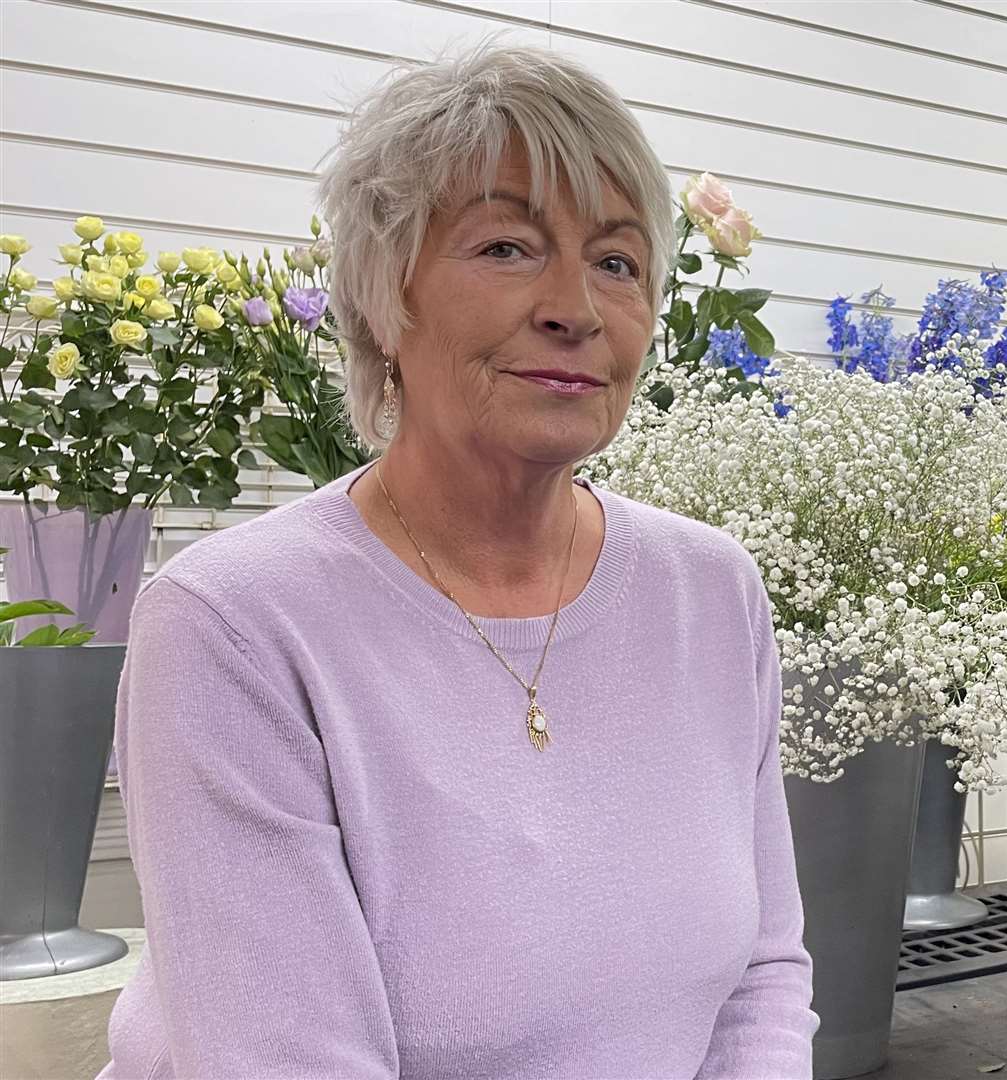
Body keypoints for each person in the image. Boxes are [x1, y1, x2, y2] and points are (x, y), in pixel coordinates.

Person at [99, 45, 814, 1078]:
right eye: (507, 248)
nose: (574, 306)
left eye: (615, 262)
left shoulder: (708, 592)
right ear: (386, 296)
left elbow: (761, 979)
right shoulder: (234, 624)